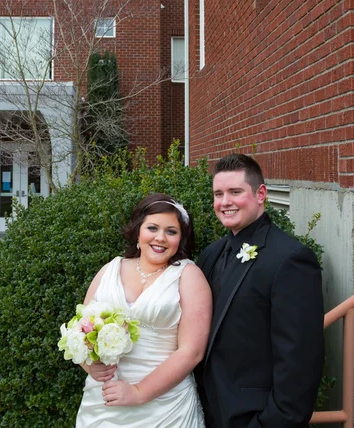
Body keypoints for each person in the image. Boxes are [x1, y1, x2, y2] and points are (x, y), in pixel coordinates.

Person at [195, 153, 324, 428]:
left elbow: (299, 363)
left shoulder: (290, 259)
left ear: (261, 193)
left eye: (235, 192)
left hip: (252, 418)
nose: (224, 202)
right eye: (218, 194)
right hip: (203, 413)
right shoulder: (210, 254)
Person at [75, 193, 212, 428]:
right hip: (104, 403)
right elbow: (81, 331)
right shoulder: (110, 269)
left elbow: (191, 352)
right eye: (152, 228)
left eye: (171, 231)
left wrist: (139, 392)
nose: (161, 238)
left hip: (165, 408)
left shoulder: (188, 276)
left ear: (181, 238)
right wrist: (90, 366)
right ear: (138, 231)